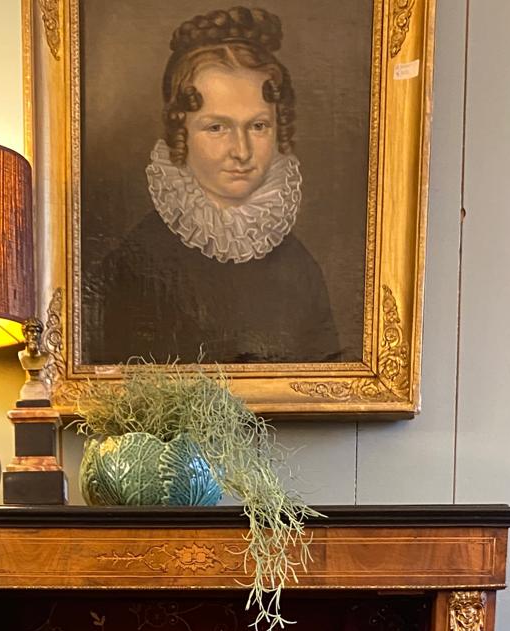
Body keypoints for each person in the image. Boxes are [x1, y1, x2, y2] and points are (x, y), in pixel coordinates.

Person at [86, 6, 342, 366]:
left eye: (258, 126)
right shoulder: (136, 264)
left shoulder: (300, 268)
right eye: (217, 128)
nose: (242, 151)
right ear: (182, 132)